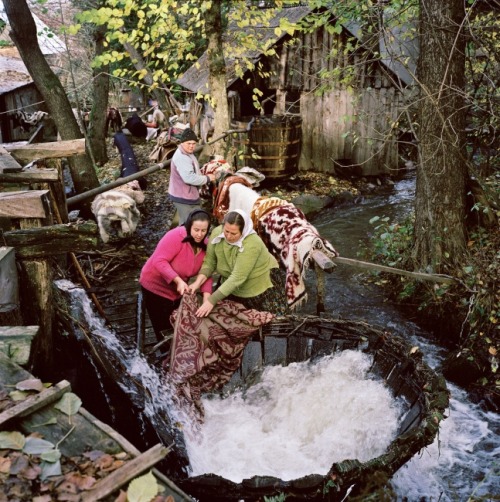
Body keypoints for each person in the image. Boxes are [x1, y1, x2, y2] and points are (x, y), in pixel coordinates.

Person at [189, 209, 285, 317]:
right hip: (231, 280)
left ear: (243, 231)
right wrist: (197, 283)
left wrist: (212, 300)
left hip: (257, 284)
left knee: (262, 320)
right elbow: (210, 261)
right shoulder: (217, 233)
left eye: (234, 233)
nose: (228, 236)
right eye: (226, 231)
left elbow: (238, 277)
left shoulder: (252, 243)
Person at [139, 209, 213, 342]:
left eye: (203, 231)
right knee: (163, 327)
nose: (199, 234)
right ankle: (166, 354)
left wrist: (207, 298)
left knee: (181, 323)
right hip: (155, 286)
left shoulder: (206, 245)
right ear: (189, 226)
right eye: (196, 230)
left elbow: (207, 271)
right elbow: (159, 260)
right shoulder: (175, 236)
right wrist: (177, 280)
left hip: (177, 290)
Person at [168, 128, 215, 226]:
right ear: (182, 143)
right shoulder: (182, 157)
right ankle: (182, 239)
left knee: (187, 219)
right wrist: (207, 178)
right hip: (183, 196)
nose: (191, 146)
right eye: (188, 143)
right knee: (189, 223)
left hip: (182, 193)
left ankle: (178, 233)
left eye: (193, 143)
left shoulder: (187, 152)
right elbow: (189, 178)